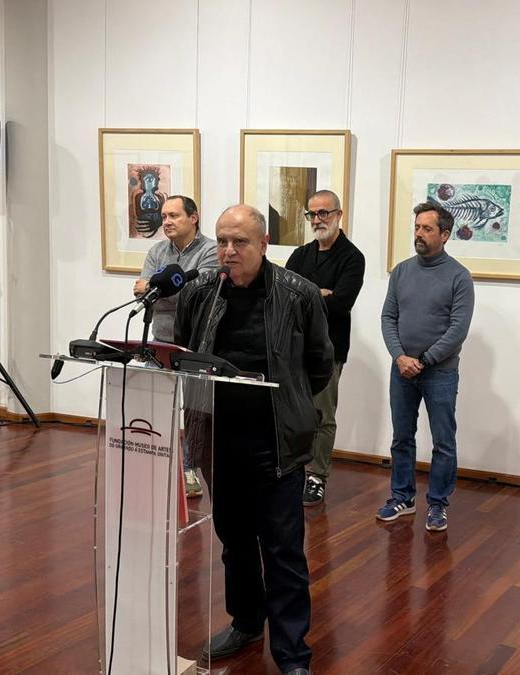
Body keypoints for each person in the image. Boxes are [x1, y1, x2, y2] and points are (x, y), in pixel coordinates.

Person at [174, 204, 333, 675]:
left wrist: (289, 408)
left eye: (239, 242)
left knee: (283, 550)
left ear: (263, 244)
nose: (228, 251)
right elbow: (185, 350)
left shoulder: (298, 294)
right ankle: (246, 622)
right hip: (220, 439)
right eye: (222, 241)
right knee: (234, 541)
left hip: (277, 443)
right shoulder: (200, 293)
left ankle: (292, 653)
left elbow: (319, 365)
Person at [377, 201, 474, 532]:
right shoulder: (402, 271)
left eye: (427, 229)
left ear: (445, 235)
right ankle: (402, 497)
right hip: (401, 369)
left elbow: (457, 329)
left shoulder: (459, 277)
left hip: (439, 373)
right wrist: (399, 357)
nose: (419, 234)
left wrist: (423, 360)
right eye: (417, 227)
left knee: (443, 441)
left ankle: (438, 504)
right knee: (401, 437)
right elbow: (389, 317)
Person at [284, 189, 365, 506]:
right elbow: (283, 297)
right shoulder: (300, 255)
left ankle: (317, 476)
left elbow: (341, 303)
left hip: (329, 350)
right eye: (312, 214)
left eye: (324, 213)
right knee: (291, 410)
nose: (317, 220)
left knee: (322, 414)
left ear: (339, 215)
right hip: (292, 347)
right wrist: (320, 294)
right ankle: (292, 470)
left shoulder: (352, 257)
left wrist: (308, 295)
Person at [134, 195, 219, 497]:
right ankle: (153, 464)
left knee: (194, 412)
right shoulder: (157, 250)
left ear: (193, 218)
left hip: (196, 343)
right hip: (159, 340)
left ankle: (189, 470)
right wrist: (164, 290)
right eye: (164, 216)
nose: (166, 222)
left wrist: (160, 291)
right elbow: (142, 294)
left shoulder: (211, 251)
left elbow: (198, 296)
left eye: (173, 216)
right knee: (152, 405)